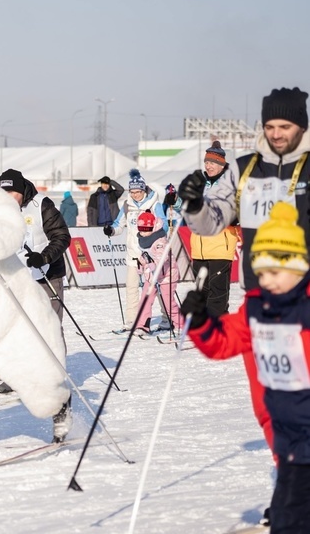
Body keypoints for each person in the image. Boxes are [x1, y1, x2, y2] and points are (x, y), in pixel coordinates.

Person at [178, 87, 310, 526]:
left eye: (285, 127)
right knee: (270, 405)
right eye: (270, 126)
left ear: (301, 126)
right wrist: (195, 203)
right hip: (261, 300)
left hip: (305, 299)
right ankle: (290, 483)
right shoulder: (244, 168)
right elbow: (214, 219)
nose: (276, 135)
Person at [0, 168, 72, 396]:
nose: (8, 196)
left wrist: (45, 256)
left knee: (48, 327)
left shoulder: (42, 205)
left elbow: (62, 236)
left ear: (21, 190)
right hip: (17, 278)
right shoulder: (0, 210)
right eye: (4, 192)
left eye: (12, 192)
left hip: (47, 275)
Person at [104, 169, 171, 331]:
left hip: (151, 255)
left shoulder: (154, 204)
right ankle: (132, 321)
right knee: (132, 288)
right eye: (132, 192)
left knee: (158, 288)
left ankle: (167, 318)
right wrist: (111, 230)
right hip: (133, 254)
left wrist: (150, 229)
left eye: (137, 192)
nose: (134, 195)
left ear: (143, 190)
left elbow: (165, 226)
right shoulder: (127, 205)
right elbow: (119, 224)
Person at [188, 141, 240, 316]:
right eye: (206, 162)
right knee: (201, 293)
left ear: (221, 164)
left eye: (212, 163)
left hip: (220, 247)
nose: (208, 166)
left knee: (217, 295)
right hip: (199, 248)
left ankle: (217, 330)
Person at [133, 210, 182, 333]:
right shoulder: (142, 240)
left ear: (153, 227)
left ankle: (180, 324)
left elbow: (162, 256)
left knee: (168, 303)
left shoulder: (160, 240)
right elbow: (145, 256)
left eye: (146, 229)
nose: (143, 232)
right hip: (151, 277)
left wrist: (155, 264)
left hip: (166, 276)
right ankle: (142, 325)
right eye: (141, 228)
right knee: (145, 300)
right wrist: (141, 264)